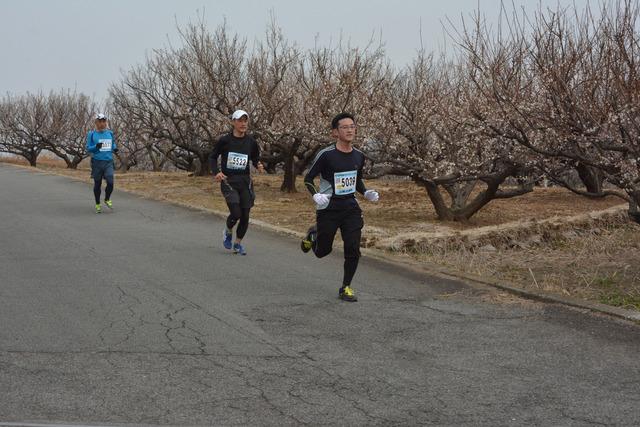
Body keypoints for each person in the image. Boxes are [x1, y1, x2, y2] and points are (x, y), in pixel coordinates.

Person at [300, 112, 379, 302]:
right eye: (345, 127)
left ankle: (346, 287)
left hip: (351, 208)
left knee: (353, 248)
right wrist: (316, 195)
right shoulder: (326, 155)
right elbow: (308, 178)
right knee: (322, 252)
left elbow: (357, 180)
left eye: (352, 126)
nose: (350, 130)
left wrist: (366, 192)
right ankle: (313, 234)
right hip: (329, 208)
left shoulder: (359, 156)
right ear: (335, 132)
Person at [209, 110, 264, 255]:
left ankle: (238, 244)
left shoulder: (251, 141)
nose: (243, 124)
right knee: (236, 213)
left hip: (245, 182)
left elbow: (255, 157)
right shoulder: (225, 141)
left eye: (245, 121)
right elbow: (213, 157)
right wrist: (217, 172)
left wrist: (258, 164)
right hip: (229, 181)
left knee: (245, 215)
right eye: (240, 121)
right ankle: (228, 231)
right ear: (233, 122)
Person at [86, 113, 118, 213]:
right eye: (100, 122)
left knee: (110, 182)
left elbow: (112, 143)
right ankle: (97, 204)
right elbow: (88, 148)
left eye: (104, 121)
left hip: (108, 162)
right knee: (97, 184)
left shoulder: (110, 133)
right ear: (96, 123)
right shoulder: (91, 134)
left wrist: (115, 148)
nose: (102, 124)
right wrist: (96, 147)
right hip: (97, 162)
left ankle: (107, 199)